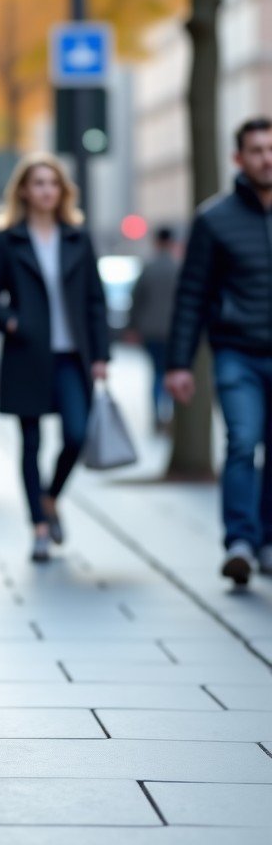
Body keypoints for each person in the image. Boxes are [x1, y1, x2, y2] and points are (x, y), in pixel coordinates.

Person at [0, 152, 109, 563]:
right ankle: (38, 527)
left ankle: (49, 498)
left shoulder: (78, 237)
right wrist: (11, 322)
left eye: (53, 183)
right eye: (38, 183)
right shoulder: (8, 239)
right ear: (24, 191)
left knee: (75, 434)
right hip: (27, 354)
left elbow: (95, 301)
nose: (46, 190)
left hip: (73, 356)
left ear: (62, 191)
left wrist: (101, 354)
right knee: (30, 443)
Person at [165, 116, 272, 587]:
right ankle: (240, 543)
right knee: (244, 441)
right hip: (238, 353)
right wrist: (178, 363)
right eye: (256, 151)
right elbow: (192, 294)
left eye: (271, 150)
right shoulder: (215, 219)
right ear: (238, 158)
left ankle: (265, 537)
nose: (266, 159)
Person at [128, 227, 180, 429]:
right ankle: (172, 416)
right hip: (174, 332)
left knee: (157, 374)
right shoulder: (178, 268)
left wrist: (132, 326)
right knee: (173, 372)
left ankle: (158, 414)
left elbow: (136, 299)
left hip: (150, 331)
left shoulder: (148, 268)